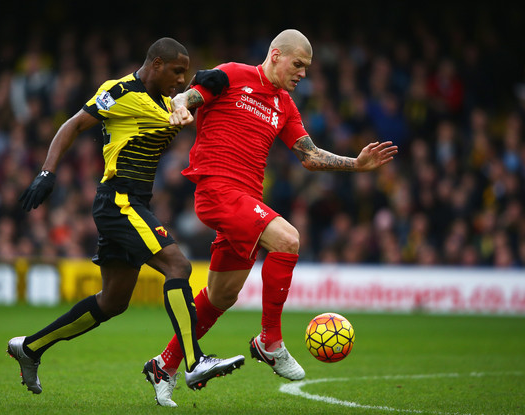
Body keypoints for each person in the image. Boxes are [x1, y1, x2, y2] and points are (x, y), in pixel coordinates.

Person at [144, 29, 398, 405]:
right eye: (298, 65)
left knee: (221, 296)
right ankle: (270, 341)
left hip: (244, 202)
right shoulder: (233, 74)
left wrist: (356, 165)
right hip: (217, 190)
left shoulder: (285, 105)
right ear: (276, 55)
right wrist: (181, 103)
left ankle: (163, 365)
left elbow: (309, 156)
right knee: (288, 239)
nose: (303, 74)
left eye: (307, 68)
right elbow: (192, 94)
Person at [6, 37, 244, 407]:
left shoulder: (170, 102)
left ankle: (30, 348)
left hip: (135, 202)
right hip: (118, 200)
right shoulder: (117, 92)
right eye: (177, 71)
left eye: (185, 74)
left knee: (113, 301)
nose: (181, 80)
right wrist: (47, 172)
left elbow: (200, 96)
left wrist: (211, 80)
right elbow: (72, 125)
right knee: (178, 265)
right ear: (156, 64)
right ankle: (195, 360)